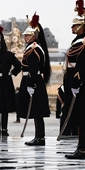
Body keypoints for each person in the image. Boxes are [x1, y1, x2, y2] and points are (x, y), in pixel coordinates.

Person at [62, 0, 85, 159]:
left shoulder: (84, 42)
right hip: (75, 81)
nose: (72, 27)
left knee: (81, 116)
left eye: (75, 25)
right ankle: (80, 147)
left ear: (82, 26)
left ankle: (82, 148)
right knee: (77, 115)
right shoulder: (77, 41)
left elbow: (83, 65)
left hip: (80, 83)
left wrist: (76, 81)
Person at [17, 13, 51, 146]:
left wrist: (30, 84)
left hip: (33, 80)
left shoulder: (34, 49)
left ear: (32, 36)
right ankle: (38, 136)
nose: (24, 37)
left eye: (26, 35)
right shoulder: (31, 48)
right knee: (36, 111)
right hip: (32, 80)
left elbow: (33, 68)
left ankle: (40, 137)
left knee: (37, 111)